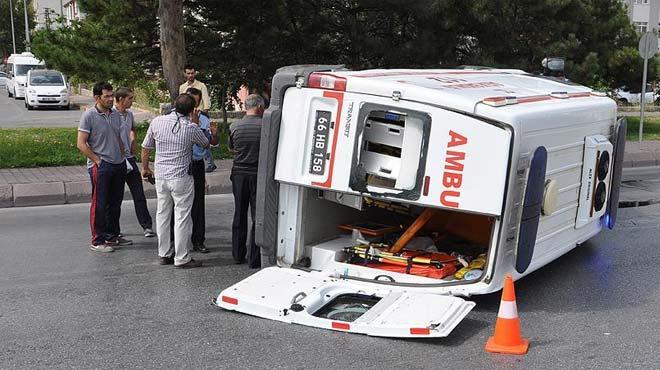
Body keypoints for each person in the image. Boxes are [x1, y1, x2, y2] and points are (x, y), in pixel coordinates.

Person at [141, 94, 215, 268]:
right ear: (191, 111)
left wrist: (145, 168)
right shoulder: (191, 127)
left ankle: (164, 253)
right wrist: (196, 123)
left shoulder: (157, 121)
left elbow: (146, 147)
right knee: (182, 216)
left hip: (161, 176)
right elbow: (205, 144)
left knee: (163, 214)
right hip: (181, 176)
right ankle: (182, 257)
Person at [76, 81, 129, 252]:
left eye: (111, 95)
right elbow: (81, 143)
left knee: (115, 203)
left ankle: (112, 235)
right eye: (106, 96)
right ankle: (97, 240)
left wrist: (124, 157)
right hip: (101, 165)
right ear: (97, 97)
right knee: (99, 204)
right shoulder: (89, 116)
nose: (110, 99)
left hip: (118, 164)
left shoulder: (115, 115)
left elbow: (118, 137)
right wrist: (97, 160)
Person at [115, 87, 156, 238]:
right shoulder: (112, 115)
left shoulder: (130, 114)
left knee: (139, 193)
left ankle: (147, 225)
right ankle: (115, 230)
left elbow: (132, 129)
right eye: (130, 98)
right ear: (120, 99)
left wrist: (133, 140)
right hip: (117, 159)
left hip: (129, 158)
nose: (132, 101)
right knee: (116, 197)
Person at [229, 94, 264, 268]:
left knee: (239, 213)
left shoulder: (235, 126)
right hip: (258, 174)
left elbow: (232, 148)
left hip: (239, 174)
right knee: (257, 216)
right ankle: (254, 258)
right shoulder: (266, 126)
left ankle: (237, 254)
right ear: (258, 107)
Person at [185, 87, 218, 253]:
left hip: (197, 163)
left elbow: (211, 142)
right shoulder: (176, 118)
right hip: (182, 164)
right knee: (179, 205)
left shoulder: (203, 118)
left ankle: (198, 240)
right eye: (191, 102)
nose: (194, 106)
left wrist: (214, 134)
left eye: (197, 102)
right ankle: (177, 241)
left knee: (198, 204)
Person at [178, 64, 215, 172]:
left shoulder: (201, 85)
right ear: (185, 74)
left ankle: (210, 162)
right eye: (188, 73)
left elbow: (206, 103)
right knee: (194, 141)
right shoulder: (182, 87)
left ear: (195, 73)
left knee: (203, 138)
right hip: (187, 115)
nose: (190, 75)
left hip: (200, 115)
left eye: (192, 73)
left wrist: (203, 116)